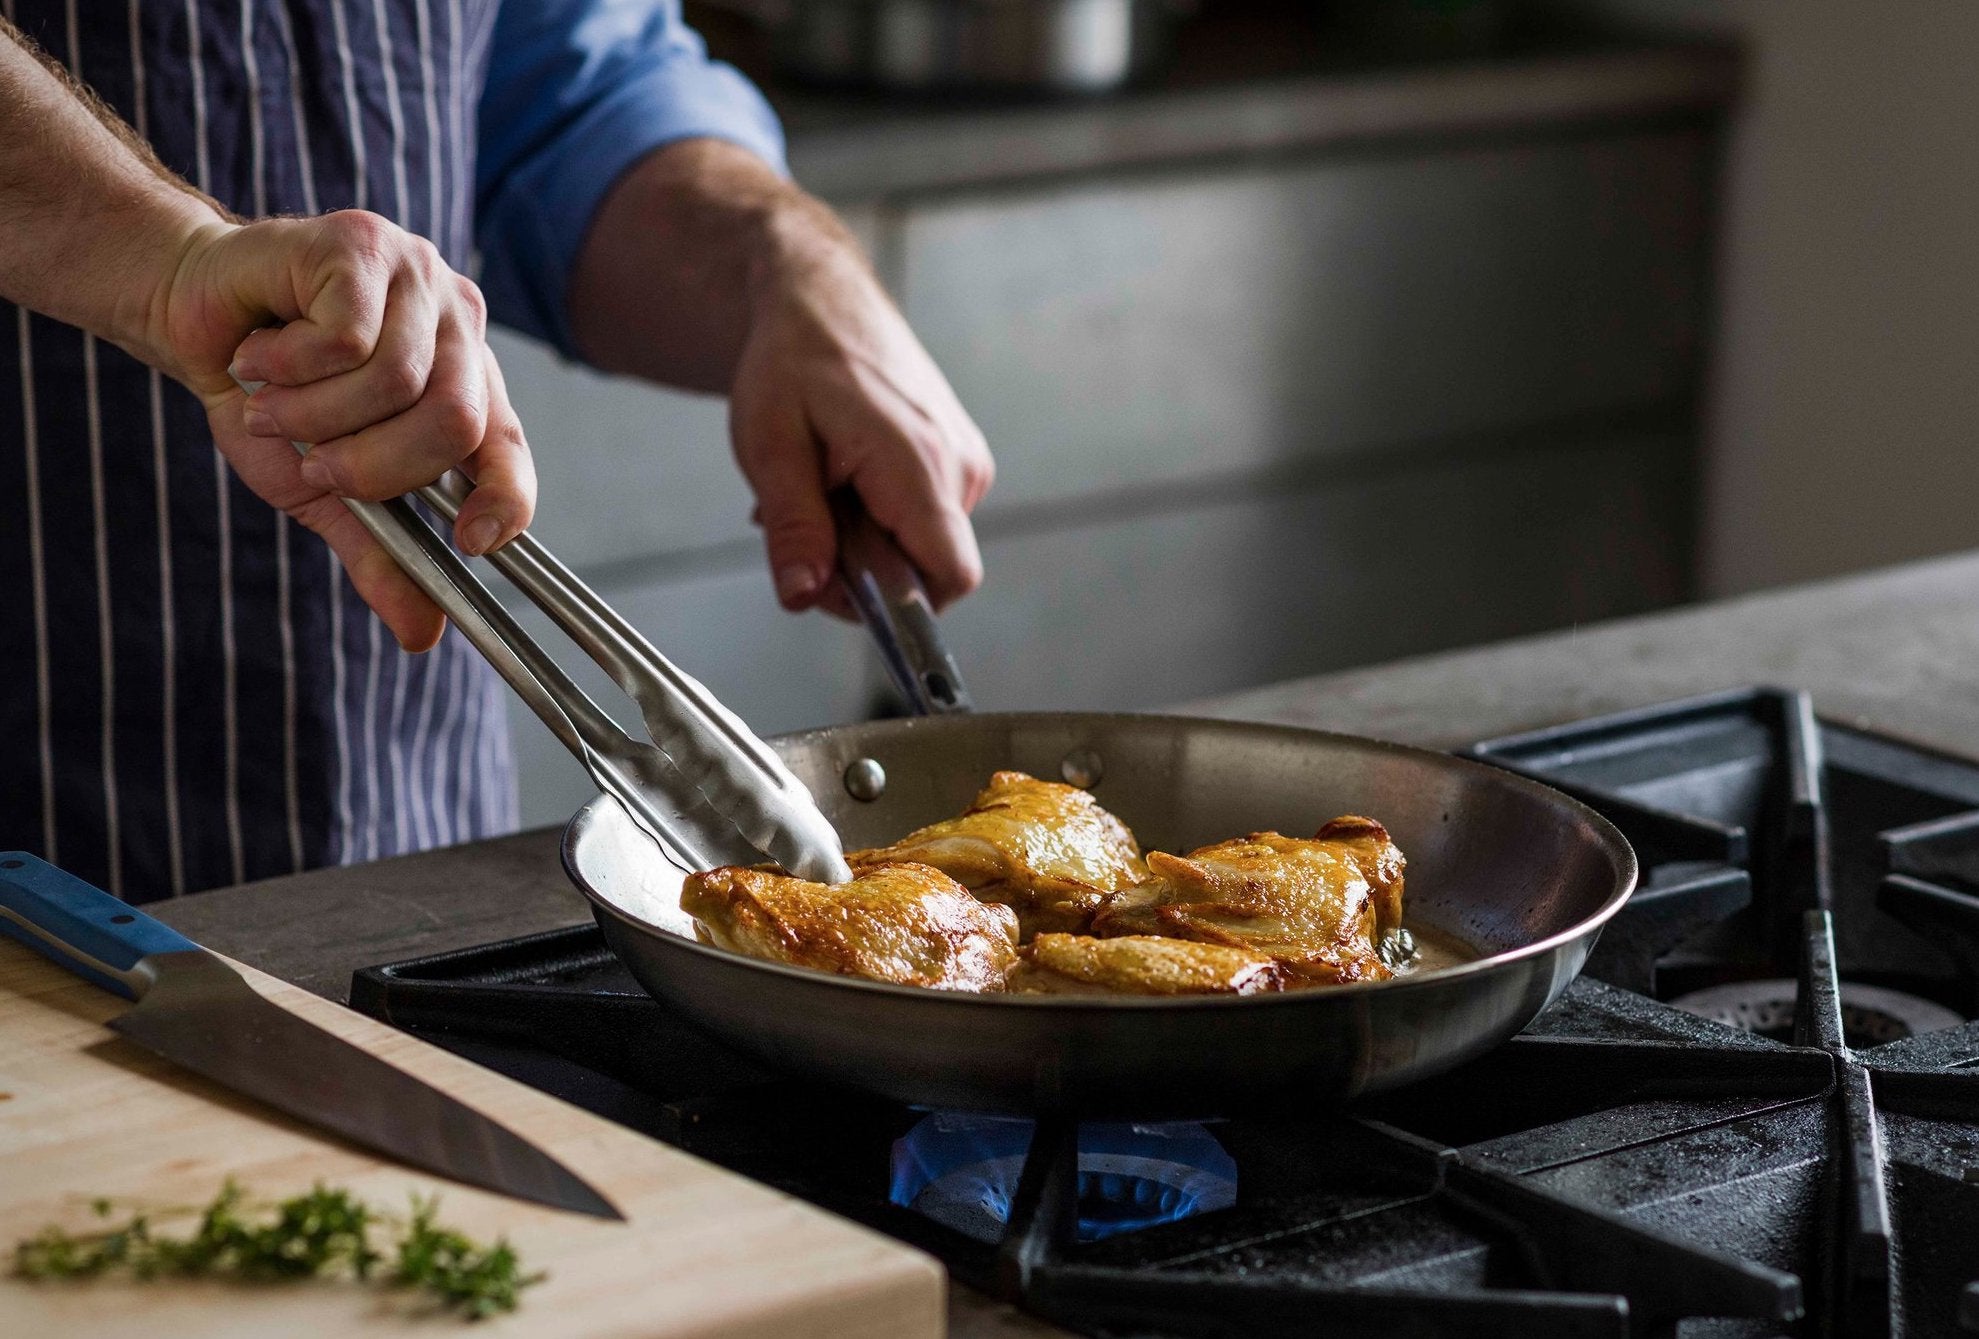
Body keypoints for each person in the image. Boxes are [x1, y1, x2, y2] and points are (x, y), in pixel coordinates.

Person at [0, 2, 993, 903]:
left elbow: (568, 104)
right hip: (42, 834)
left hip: (416, 837)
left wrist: (785, 266)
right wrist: (169, 263)